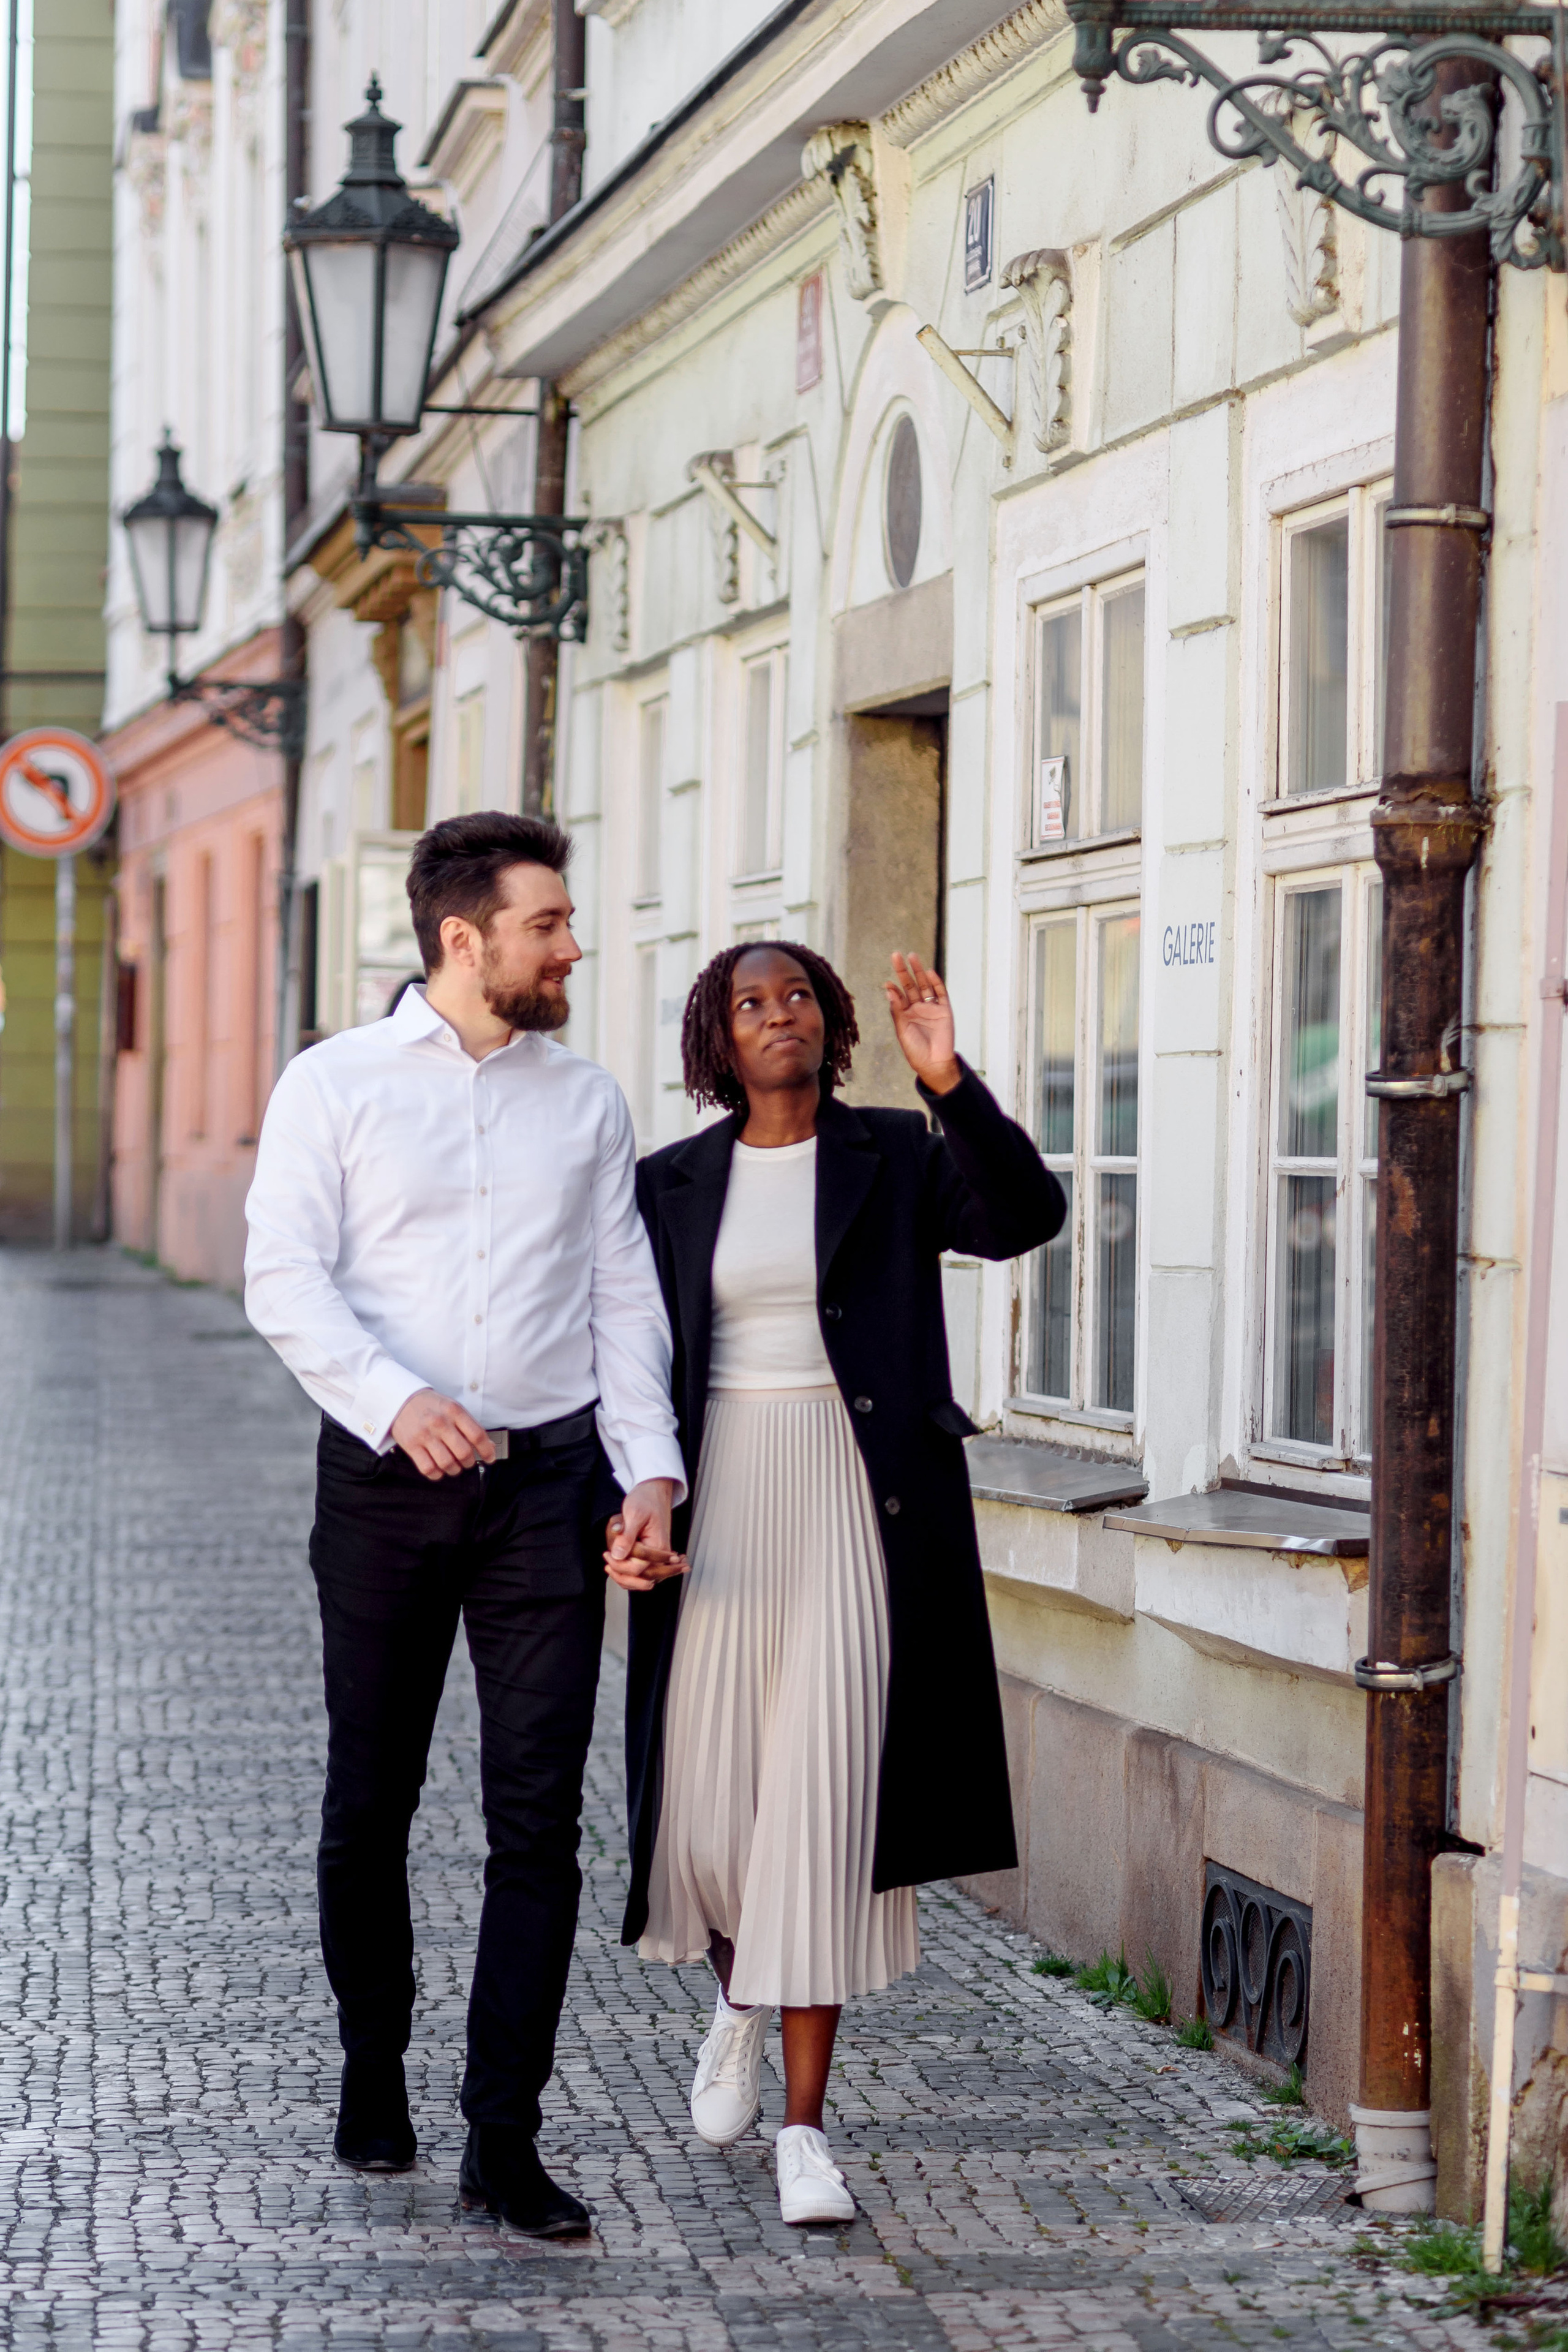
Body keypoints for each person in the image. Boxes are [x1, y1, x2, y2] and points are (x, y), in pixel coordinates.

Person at [244, 810, 686, 2239]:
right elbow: (284, 1279)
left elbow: (622, 1301)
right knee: (368, 1803)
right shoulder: (336, 1084)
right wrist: (393, 1400)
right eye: (547, 923)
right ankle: (373, 2069)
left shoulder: (587, 1100)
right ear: (463, 937)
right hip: (384, 1493)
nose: (573, 944)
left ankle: (506, 2136)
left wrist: (651, 1474)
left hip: (548, 1494)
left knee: (537, 1825)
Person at [610, 941, 1065, 2225]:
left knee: (815, 1802)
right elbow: (633, 1361)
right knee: (705, 1809)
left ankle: (806, 2131)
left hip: (860, 1503)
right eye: (750, 1004)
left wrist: (949, 1083)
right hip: (719, 1498)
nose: (777, 1017)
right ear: (717, 1036)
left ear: (830, 1019)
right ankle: (736, 2000)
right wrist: (632, 1496)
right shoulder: (667, 1184)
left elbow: (1021, 1219)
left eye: (795, 996)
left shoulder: (895, 1152)